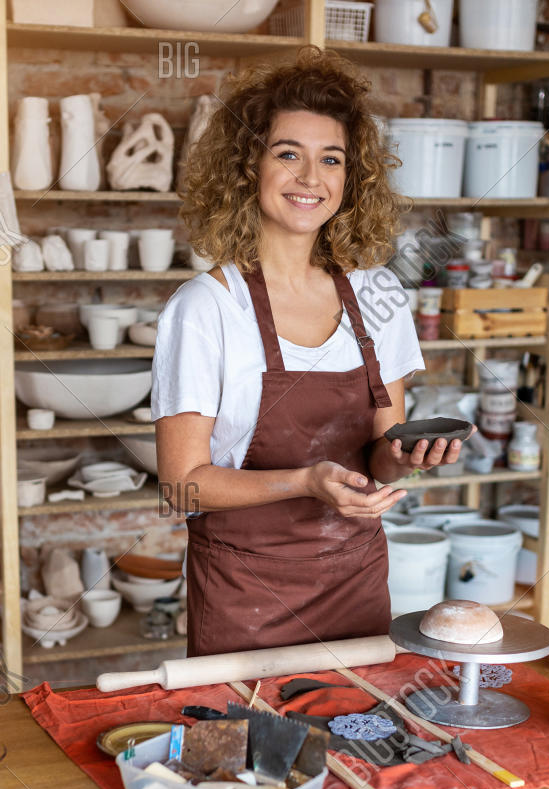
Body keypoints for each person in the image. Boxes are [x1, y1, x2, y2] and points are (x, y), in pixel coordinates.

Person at [153, 48, 471, 658]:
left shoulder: (376, 291)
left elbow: (380, 455)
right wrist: (305, 481)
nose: (311, 178)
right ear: (248, 168)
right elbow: (181, 486)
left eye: (331, 159)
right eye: (287, 154)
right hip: (245, 594)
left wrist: (408, 458)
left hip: (354, 582)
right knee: (250, 748)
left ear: (350, 179)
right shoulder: (206, 309)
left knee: (361, 745)